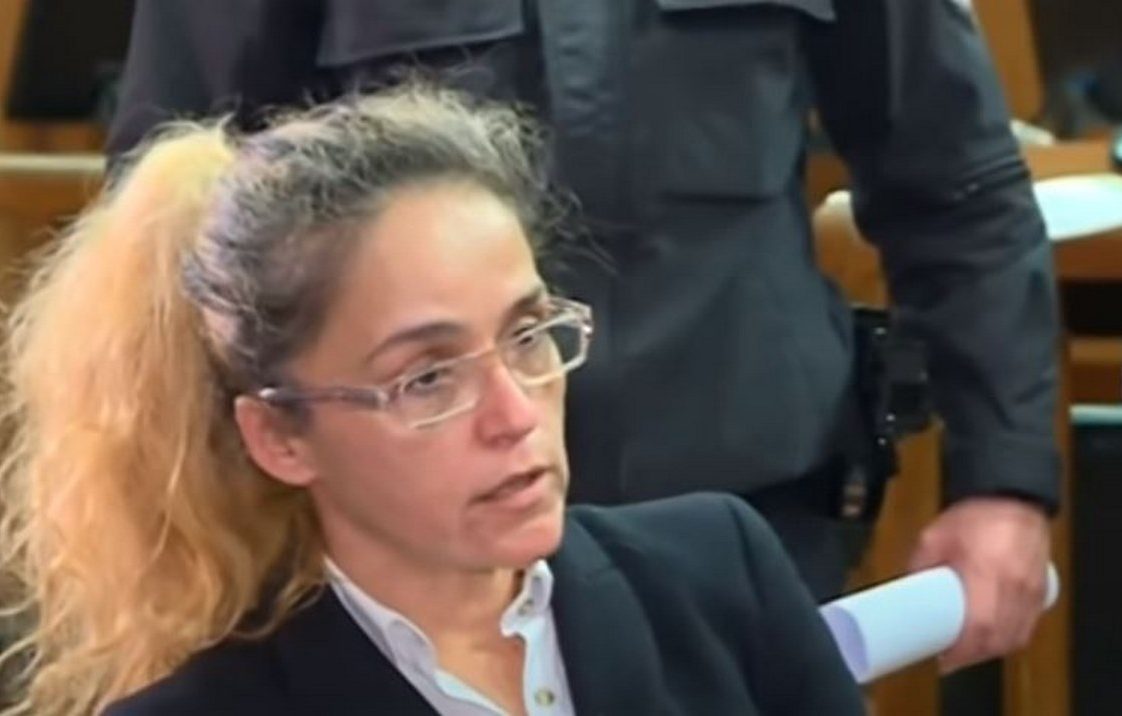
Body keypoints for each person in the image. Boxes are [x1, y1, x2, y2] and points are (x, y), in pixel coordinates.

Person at [106, 0, 1058, 671]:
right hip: (401, 574)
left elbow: (958, 185)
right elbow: (176, 229)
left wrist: (1003, 482)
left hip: (756, 536)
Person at [0, 85, 865, 716]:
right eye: (427, 379)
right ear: (279, 435)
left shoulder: (719, 579)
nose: (516, 416)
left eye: (528, 336)